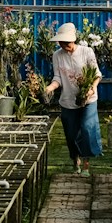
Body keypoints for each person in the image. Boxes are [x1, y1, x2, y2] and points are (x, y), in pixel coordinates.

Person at [45, 22, 102, 174]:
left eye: (67, 42)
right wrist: (49, 88)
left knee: (87, 128)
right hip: (67, 100)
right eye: (62, 43)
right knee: (71, 133)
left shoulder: (86, 52)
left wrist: (91, 88)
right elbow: (57, 77)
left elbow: (96, 74)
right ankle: (75, 159)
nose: (65, 45)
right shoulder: (57, 55)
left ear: (73, 40)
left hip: (88, 99)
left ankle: (86, 163)